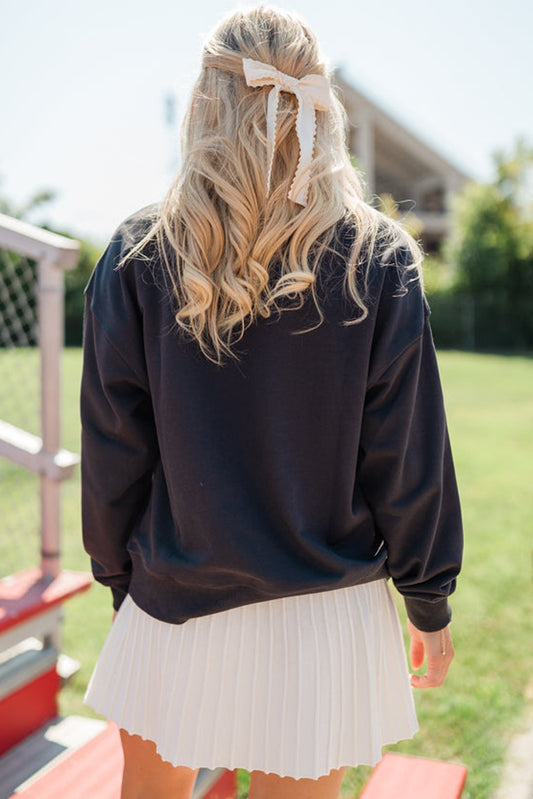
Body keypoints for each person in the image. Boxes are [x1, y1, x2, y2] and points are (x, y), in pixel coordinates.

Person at [80, 5, 463, 799]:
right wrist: (427, 597)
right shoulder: (376, 256)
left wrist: (118, 576)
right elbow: (405, 452)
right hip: (325, 611)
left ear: (204, 105)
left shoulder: (137, 252)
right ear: (320, 106)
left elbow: (114, 444)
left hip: (175, 593)